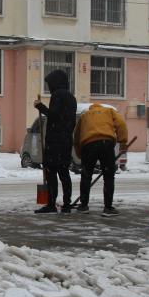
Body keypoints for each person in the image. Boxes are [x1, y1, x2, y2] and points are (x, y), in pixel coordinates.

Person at [34, 70, 77, 214]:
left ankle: (51, 204)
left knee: (51, 172)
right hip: (66, 140)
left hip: (55, 141)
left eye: (50, 84)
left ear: (55, 82)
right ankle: (66, 204)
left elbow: (54, 116)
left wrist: (40, 106)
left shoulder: (58, 95)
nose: (49, 87)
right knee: (64, 173)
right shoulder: (71, 97)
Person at [74, 103, 128, 216]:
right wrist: (123, 141)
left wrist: (80, 154)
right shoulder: (109, 111)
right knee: (108, 177)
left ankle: (83, 206)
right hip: (106, 144)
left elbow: (77, 136)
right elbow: (121, 124)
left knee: (86, 176)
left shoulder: (84, 116)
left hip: (88, 145)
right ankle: (108, 208)